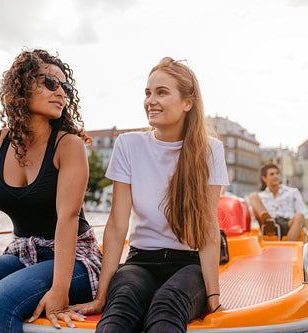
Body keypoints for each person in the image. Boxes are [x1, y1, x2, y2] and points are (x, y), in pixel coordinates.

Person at [0, 49, 102, 332]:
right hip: (23, 252)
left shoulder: (68, 145)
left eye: (66, 87)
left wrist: (59, 291)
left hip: (74, 260)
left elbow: (68, 217)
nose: (61, 92)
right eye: (50, 82)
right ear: (22, 87)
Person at [70, 57, 229, 333]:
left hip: (189, 264)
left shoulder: (210, 150)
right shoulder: (128, 144)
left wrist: (213, 299)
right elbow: (118, 226)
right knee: (119, 310)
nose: (150, 100)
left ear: (187, 103)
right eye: (147, 92)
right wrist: (101, 296)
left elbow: (207, 228)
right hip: (140, 261)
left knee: (166, 307)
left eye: (162, 92)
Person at [249, 163, 308, 241]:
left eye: (277, 173)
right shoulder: (260, 197)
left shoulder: (292, 192)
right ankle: (267, 220)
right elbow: (250, 216)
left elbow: (305, 213)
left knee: (299, 215)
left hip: (288, 224)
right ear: (264, 178)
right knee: (253, 196)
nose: (276, 176)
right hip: (267, 226)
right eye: (272, 174)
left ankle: (288, 246)